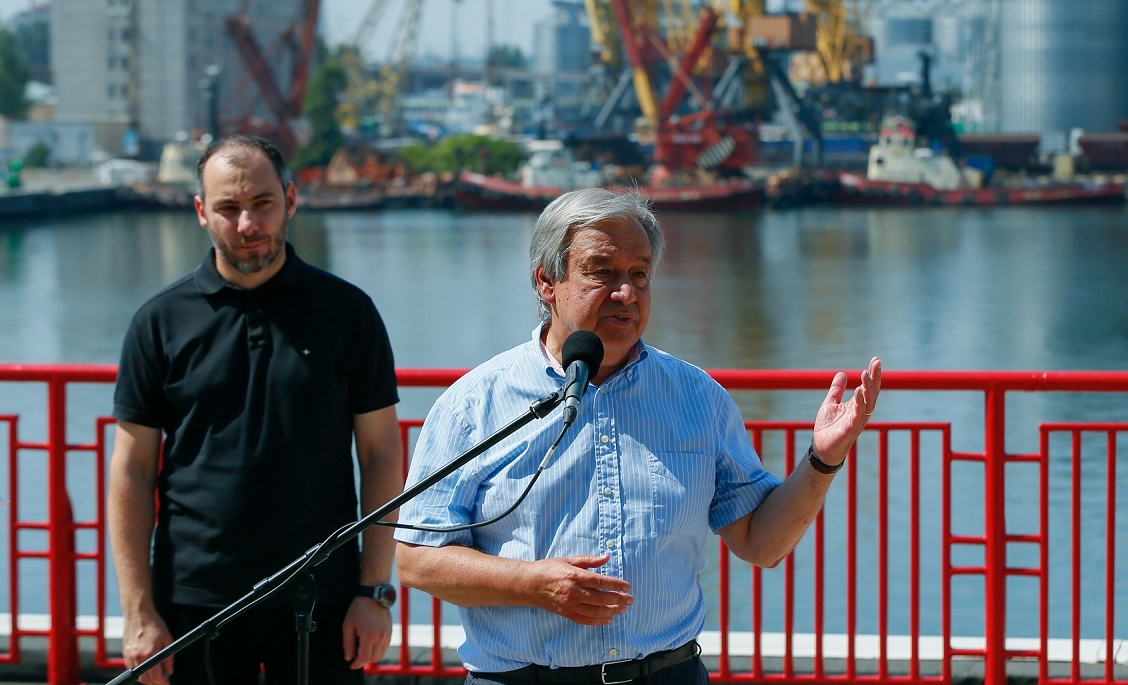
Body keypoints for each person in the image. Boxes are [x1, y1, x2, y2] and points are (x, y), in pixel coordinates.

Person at [394, 187, 881, 685]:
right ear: (547, 281)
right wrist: (532, 584)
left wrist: (822, 461)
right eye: (602, 272)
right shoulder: (475, 402)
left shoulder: (697, 397)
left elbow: (761, 544)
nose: (626, 293)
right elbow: (416, 560)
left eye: (640, 275)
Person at [108, 135, 404, 685]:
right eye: (228, 208)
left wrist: (373, 590)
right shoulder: (159, 322)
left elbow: (383, 453)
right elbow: (130, 470)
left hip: (323, 595)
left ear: (291, 199)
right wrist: (138, 612)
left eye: (263, 203)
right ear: (200, 212)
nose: (248, 225)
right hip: (195, 601)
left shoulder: (348, 313)